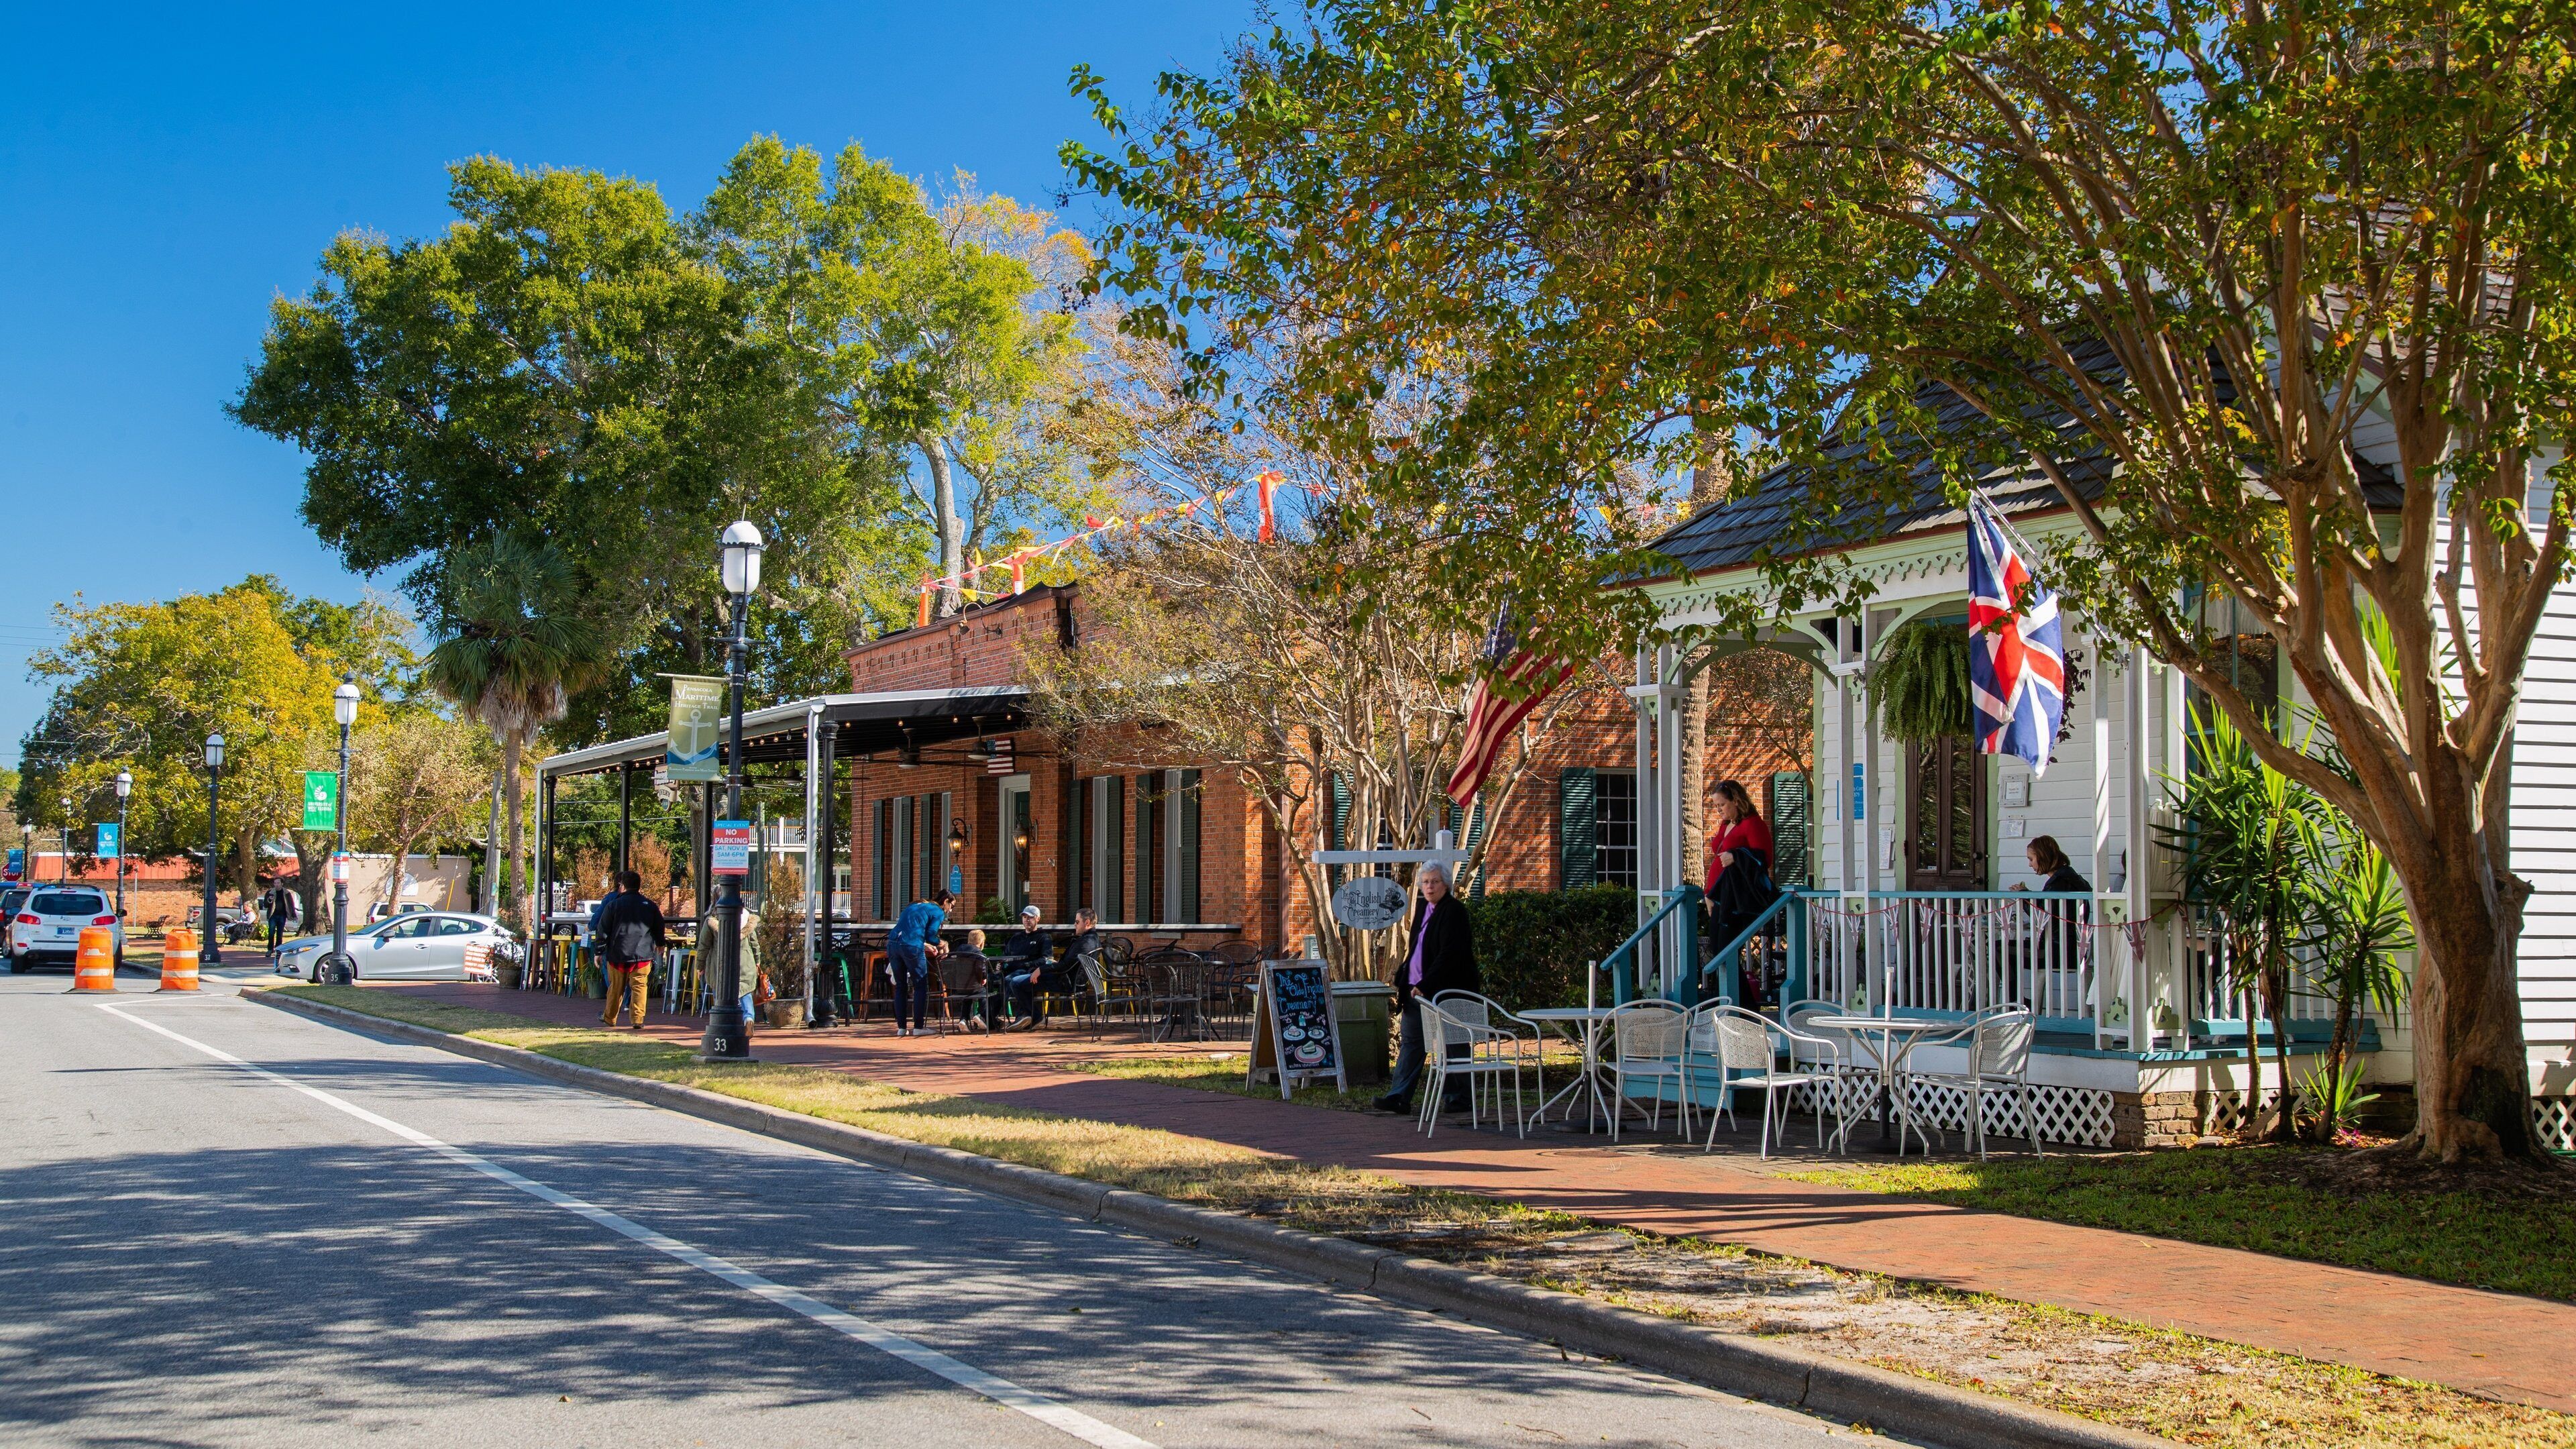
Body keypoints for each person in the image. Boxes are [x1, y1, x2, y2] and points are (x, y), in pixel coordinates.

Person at [1373, 863, 1479, 1116]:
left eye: (1435, 882)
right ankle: (1399, 1097)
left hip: (1447, 990)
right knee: (1412, 1042)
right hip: (1415, 991)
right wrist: (1407, 978)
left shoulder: (1455, 912)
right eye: (1426, 882)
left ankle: (1460, 1098)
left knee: (1454, 1044)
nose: (1429, 887)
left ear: (1446, 885)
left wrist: (1426, 984)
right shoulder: (1422, 908)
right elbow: (1418, 948)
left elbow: (1450, 954)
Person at [1704, 780, 1780, 1006]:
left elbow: (1763, 858)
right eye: (1716, 806)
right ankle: (1731, 1002)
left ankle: (1744, 1006)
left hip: (1737, 899)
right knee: (1717, 950)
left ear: (1736, 801)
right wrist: (1709, 894)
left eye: (1722, 805)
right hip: (1718, 897)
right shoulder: (1726, 825)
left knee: (1726, 951)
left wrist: (1737, 855)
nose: (1719, 810)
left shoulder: (1752, 824)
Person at [2008, 835, 2093, 973]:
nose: (2030, 864)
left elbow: (2042, 918)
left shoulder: (2058, 883)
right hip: (2072, 949)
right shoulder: (2070, 878)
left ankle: (2015, 996)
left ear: (2043, 856)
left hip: (2056, 951)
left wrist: (2024, 897)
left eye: (2031, 859)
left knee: (1999, 949)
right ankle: (2018, 996)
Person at [593, 870, 667, 1030]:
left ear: (622, 886)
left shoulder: (614, 905)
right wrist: (660, 943)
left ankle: (610, 1017)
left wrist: (599, 951)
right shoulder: (649, 905)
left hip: (618, 954)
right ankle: (638, 1019)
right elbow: (659, 926)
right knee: (640, 987)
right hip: (642, 954)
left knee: (616, 988)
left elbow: (603, 929)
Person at [1006, 907, 1097, 1028]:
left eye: (1077, 922)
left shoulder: (1086, 943)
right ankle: (1026, 1016)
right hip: (1069, 979)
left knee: (1016, 982)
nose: (1075, 925)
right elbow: (1068, 964)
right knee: (1023, 977)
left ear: (1087, 923)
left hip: (1066, 982)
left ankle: (1034, 1016)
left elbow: (1065, 966)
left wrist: (1041, 970)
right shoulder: (1092, 940)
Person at [886, 888, 953, 1038]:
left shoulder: (914, 906)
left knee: (901, 986)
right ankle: (918, 1026)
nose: (950, 911)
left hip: (893, 944)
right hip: (911, 948)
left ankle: (901, 1028)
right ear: (945, 902)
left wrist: (923, 943)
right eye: (952, 906)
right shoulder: (938, 911)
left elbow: (910, 929)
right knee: (920, 985)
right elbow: (931, 935)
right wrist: (942, 943)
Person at [938, 928, 1000, 1033]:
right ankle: (981, 1015)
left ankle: (963, 1019)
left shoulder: (958, 951)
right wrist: (984, 978)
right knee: (984, 993)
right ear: (981, 943)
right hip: (975, 987)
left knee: (967, 998)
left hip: (959, 987)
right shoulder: (979, 955)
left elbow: (951, 967)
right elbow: (982, 970)